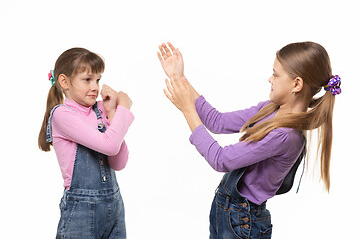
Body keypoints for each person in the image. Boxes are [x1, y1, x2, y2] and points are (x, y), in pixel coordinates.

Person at [157, 41, 340, 239]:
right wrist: (179, 78)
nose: (270, 78)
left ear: (296, 84)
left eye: (276, 74)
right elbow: (218, 121)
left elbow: (221, 159)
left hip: (242, 222)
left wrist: (188, 110)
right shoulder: (270, 109)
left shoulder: (284, 136)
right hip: (226, 212)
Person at [38, 47, 134, 238]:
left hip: (114, 204)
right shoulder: (62, 114)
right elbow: (109, 145)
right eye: (87, 80)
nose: (95, 87)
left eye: (98, 80)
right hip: (81, 210)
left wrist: (112, 114)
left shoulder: (100, 110)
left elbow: (118, 162)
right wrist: (123, 108)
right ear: (64, 81)